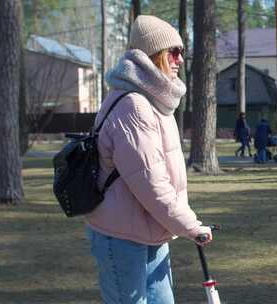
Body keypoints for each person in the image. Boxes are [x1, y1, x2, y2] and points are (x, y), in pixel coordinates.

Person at [85, 15, 212, 304]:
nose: (180, 59)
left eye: (182, 52)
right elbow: (151, 183)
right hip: (121, 236)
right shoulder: (134, 106)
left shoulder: (154, 101)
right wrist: (190, 225)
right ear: (153, 56)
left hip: (150, 230)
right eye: (174, 52)